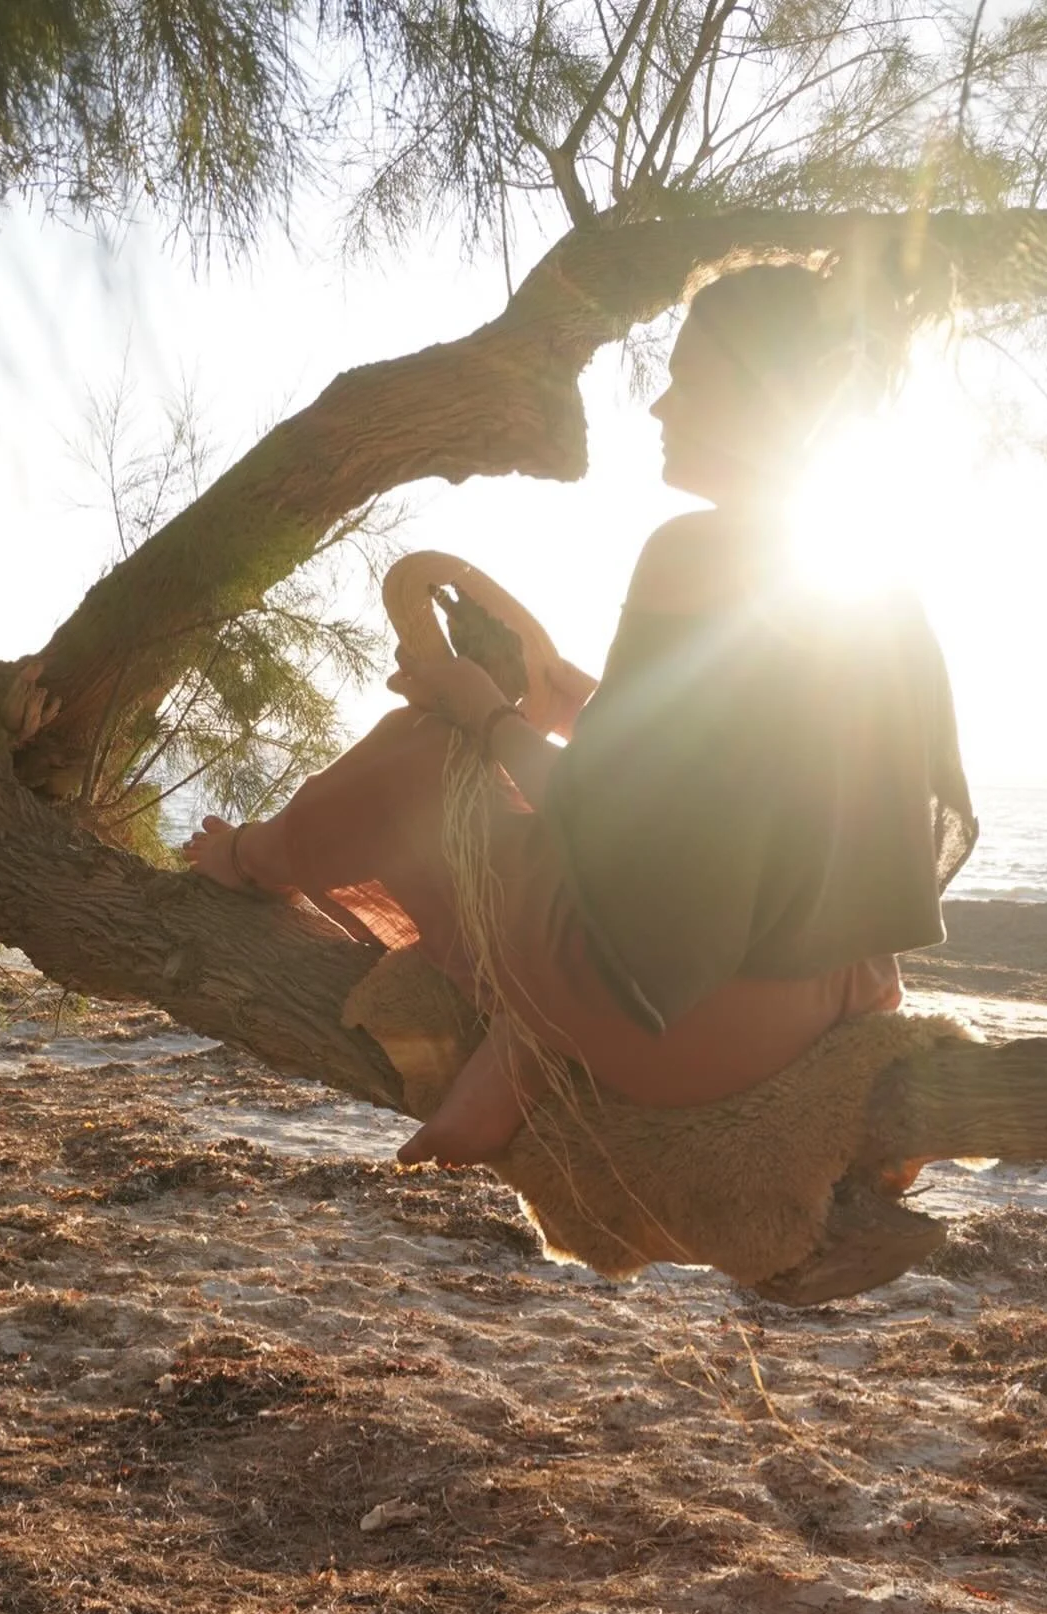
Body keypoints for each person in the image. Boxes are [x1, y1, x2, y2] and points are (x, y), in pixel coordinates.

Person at [186, 262, 976, 1167]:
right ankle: (523, 1048)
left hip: (691, 1027)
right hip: (838, 990)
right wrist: (571, 703)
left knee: (418, 758)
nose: (660, 407)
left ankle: (252, 860)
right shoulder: (872, 577)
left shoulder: (693, 551)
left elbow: (615, 816)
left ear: (765, 399)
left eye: (689, 381)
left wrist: (486, 715)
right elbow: (744, 784)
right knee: (536, 820)